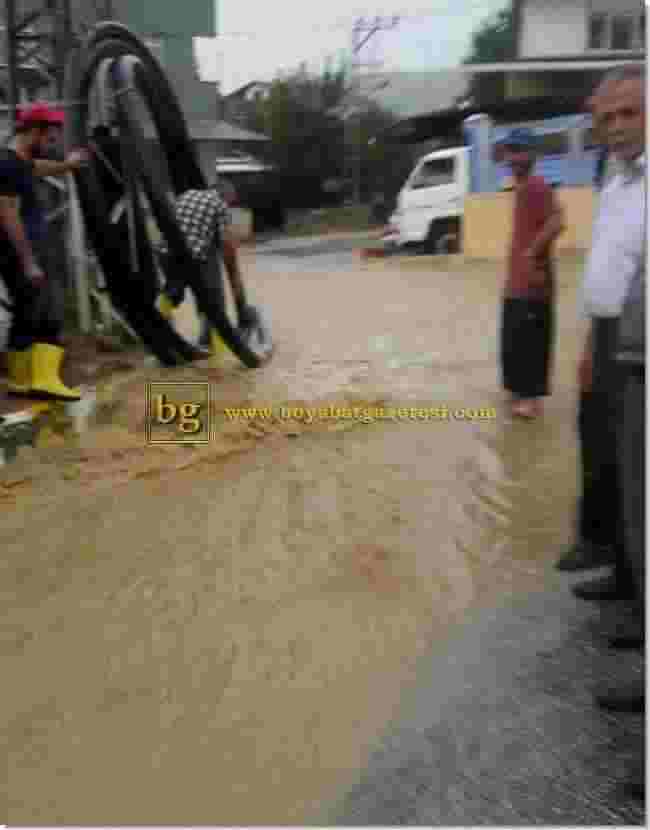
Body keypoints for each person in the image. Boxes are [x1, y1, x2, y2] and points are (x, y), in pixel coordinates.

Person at [568, 65, 645, 614]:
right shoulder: (616, 180)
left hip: (641, 341)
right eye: (606, 117)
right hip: (608, 332)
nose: (616, 126)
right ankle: (623, 573)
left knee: (642, 477)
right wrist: (591, 346)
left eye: (629, 112)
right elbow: (606, 268)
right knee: (611, 464)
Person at [0, 103, 88, 400]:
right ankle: (45, 380)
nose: (51, 144)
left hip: (19, 251)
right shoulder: (8, 163)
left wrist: (68, 165)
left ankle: (20, 379)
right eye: (48, 138)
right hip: (20, 251)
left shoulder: (18, 161)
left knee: (25, 313)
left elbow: (39, 168)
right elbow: (7, 213)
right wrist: (29, 262)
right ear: (33, 131)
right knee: (47, 312)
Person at [498, 127, 566, 419]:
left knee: (529, 341)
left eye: (520, 151)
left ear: (532, 155)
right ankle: (519, 394)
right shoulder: (523, 187)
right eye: (511, 151)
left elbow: (558, 221)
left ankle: (530, 400)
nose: (514, 157)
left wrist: (531, 253)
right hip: (517, 286)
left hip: (533, 285)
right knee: (513, 341)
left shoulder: (537, 186)